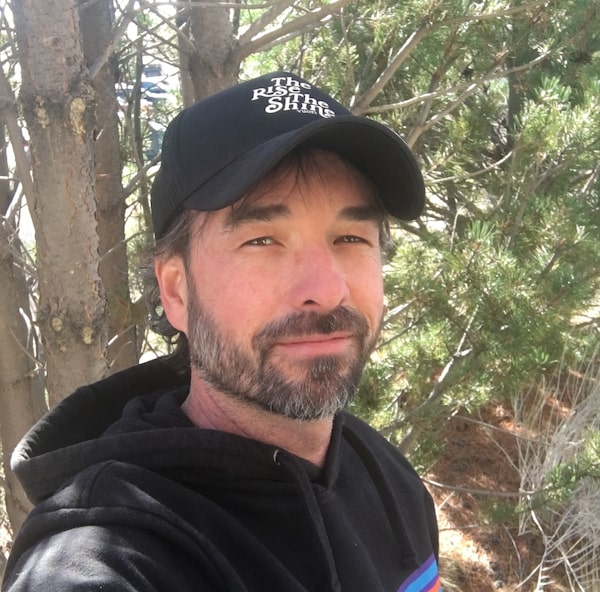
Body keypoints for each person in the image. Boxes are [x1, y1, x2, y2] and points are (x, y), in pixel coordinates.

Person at [2, 72, 441, 592]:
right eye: (262, 240)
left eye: (350, 237)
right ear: (176, 292)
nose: (327, 290)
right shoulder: (107, 553)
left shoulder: (385, 473)